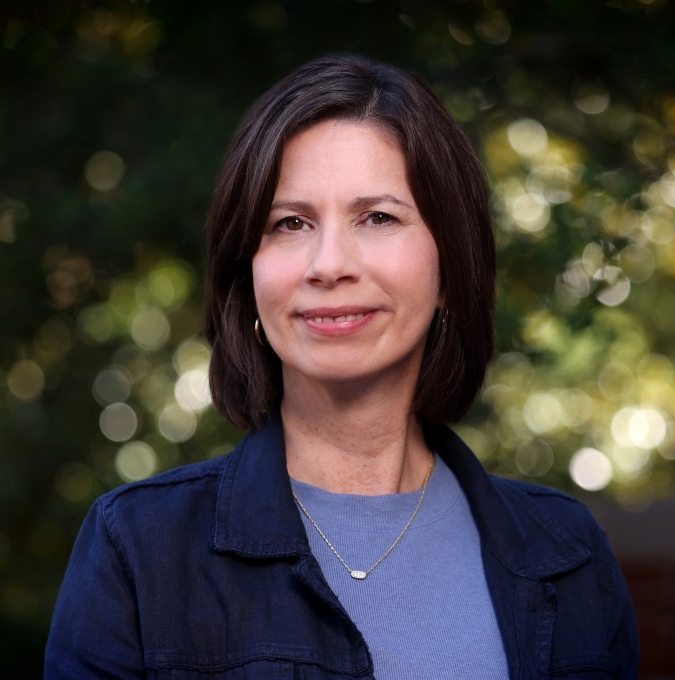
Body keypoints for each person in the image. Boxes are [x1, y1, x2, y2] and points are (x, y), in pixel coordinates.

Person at [44, 54, 639, 679]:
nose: (329, 264)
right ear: (248, 276)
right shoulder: (139, 549)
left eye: (378, 217)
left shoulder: (568, 554)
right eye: (289, 223)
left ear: (448, 267)